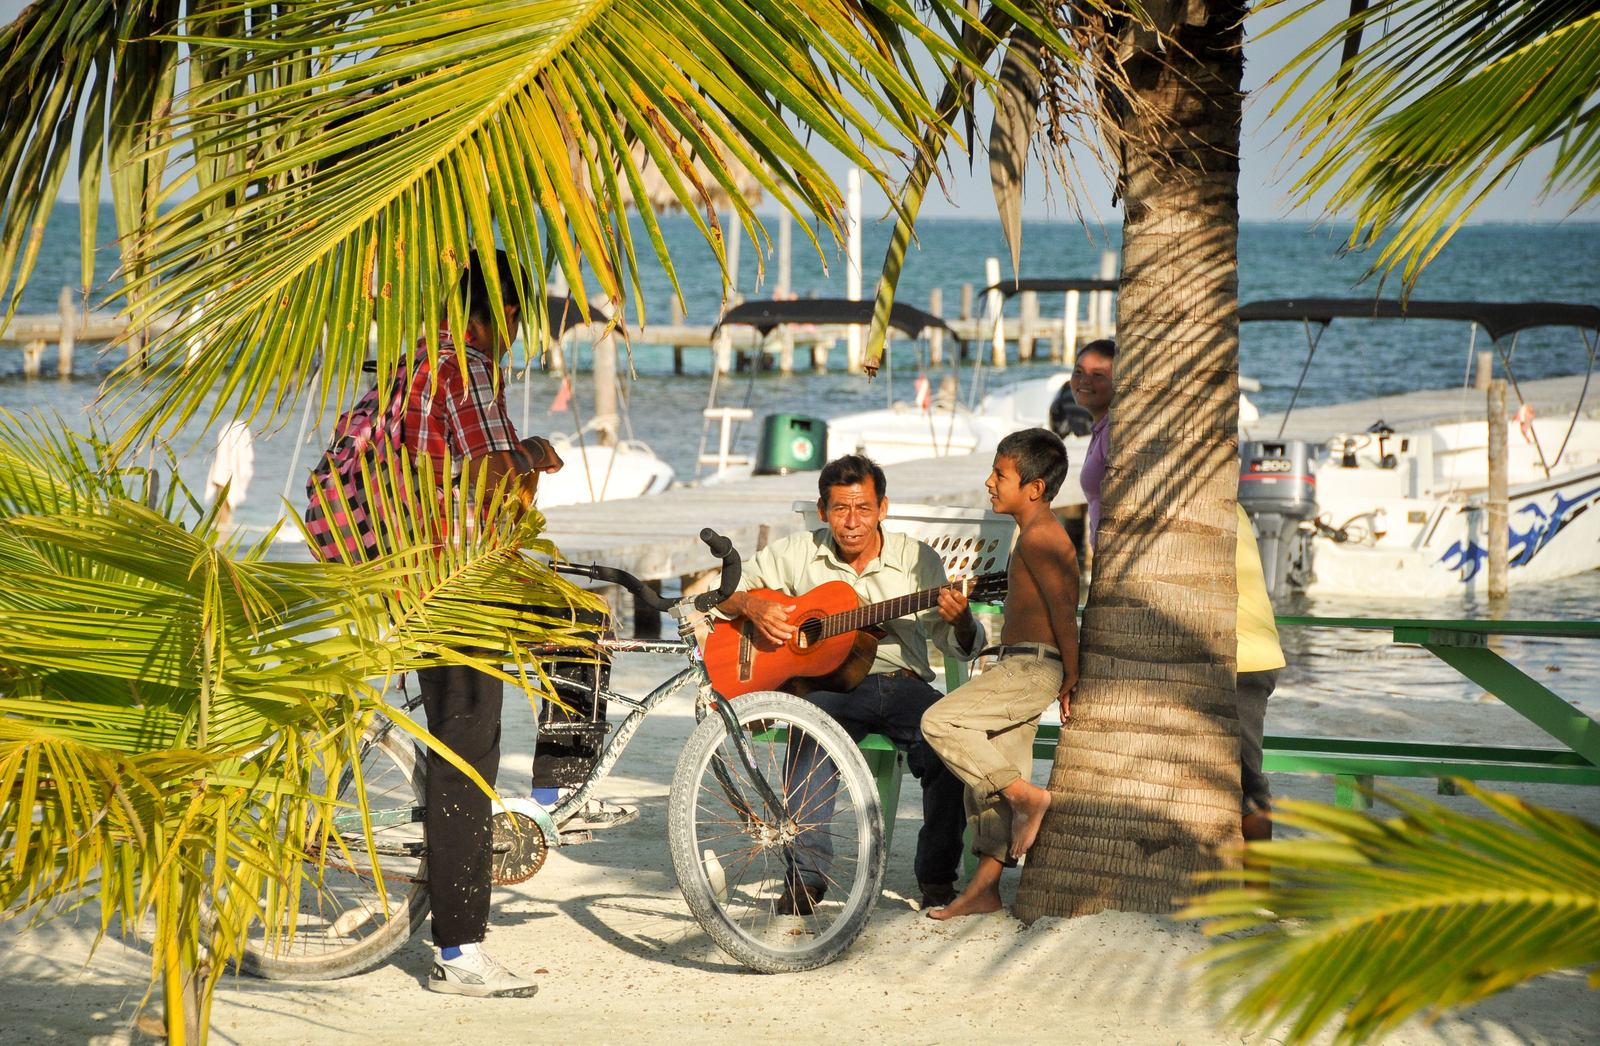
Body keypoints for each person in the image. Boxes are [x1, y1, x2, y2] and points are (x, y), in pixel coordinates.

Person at [391, 250, 563, 997]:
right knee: (468, 761)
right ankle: (458, 951)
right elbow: (493, 473)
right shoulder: (472, 365)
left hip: (409, 572)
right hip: (453, 585)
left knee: (567, 631)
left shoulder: (414, 361)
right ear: (509, 316)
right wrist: (531, 451)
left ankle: (552, 794)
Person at [717, 454, 984, 911]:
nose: (852, 522)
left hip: (901, 684)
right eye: (840, 509)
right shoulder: (797, 552)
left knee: (948, 744)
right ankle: (806, 878)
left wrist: (962, 622)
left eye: (863, 508)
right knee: (809, 734)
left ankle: (937, 880)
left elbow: (958, 644)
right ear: (823, 511)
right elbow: (720, 594)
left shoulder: (916, 560)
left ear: (883, 508)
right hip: (829, 687)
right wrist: (750, 606)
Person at [1071, 340, 1285, 842]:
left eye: (1099, 373)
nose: (1084, 379)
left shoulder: (1205, 510)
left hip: (1239, 652)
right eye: (1079, 370)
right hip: (1190, 643)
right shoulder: (1110, 434)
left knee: (1243, 773)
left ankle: (1259, 882)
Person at [920, 429, 1080, 919]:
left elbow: (1064, 611)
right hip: (1020, 664)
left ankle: (1028, 798)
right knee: (987, 776)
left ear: (1034, 487)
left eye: (1000, 475)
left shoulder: (1041, 538)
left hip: (1033, 667)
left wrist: (1071, 677)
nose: (988, 482)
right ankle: (985, 889)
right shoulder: (1029, 533)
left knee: (940, 723)